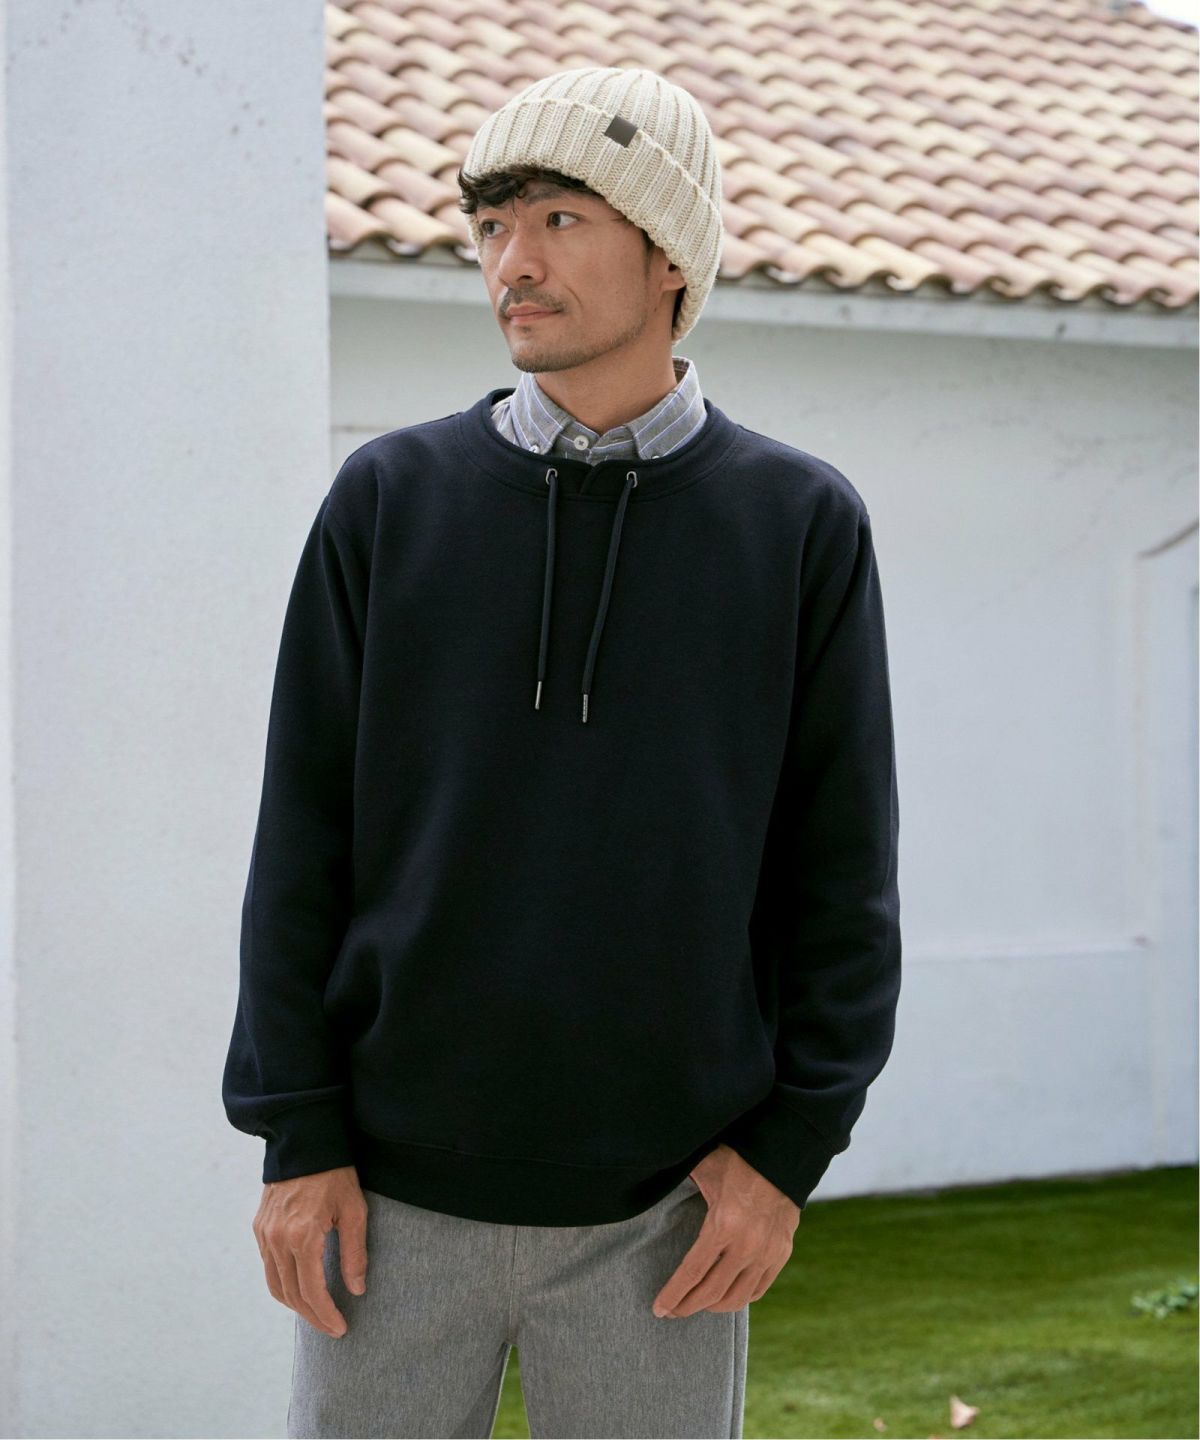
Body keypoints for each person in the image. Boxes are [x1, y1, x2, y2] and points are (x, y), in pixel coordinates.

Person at [222, 65, 902, 1440]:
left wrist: (787, 1155)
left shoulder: (799, 525)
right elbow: (301, 835)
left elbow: (840, 874)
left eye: (559, 219)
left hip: (668, 1214)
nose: (511, 264)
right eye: (491, 226)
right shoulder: (388, 499)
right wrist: (298, 1135)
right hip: (387, 1203)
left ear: (671, 253)